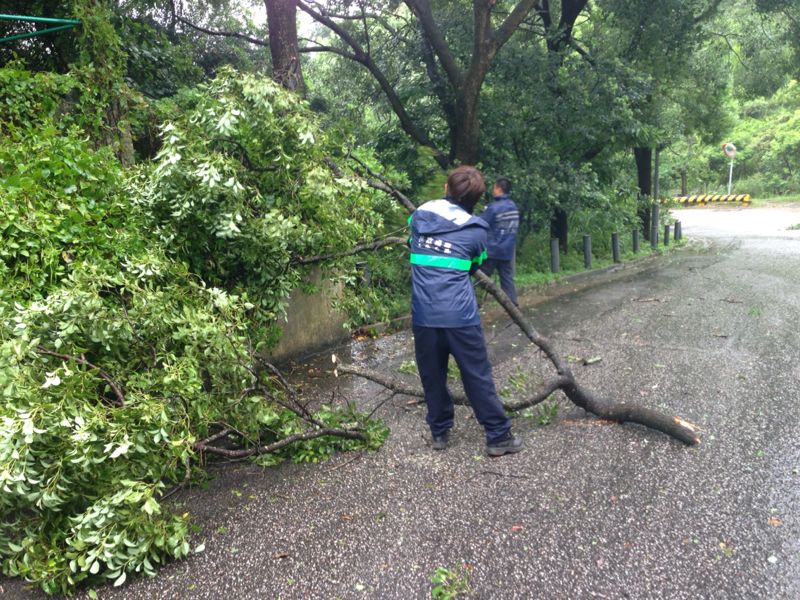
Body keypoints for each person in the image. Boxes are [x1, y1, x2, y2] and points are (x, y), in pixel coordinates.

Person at [408, 166, 523, 457]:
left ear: (447, 187)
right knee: (477, 376)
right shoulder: (477, 231)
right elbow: (476, 266)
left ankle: (440, 432)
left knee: (432, 375)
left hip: (424, 315)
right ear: (476, 198)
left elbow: (412, 243)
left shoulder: (419, 216)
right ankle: (498, 437)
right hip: (461, 318)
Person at [478, 176, 520, 306]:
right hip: (507, 250)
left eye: (494, 187)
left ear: (499, 188)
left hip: (492, 250)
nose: (492, 189)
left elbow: (480, 224)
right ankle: (513, 306)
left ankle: (474, 301)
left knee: (480, 278)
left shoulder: (493, 208)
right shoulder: (513, 207)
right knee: (507, 279)